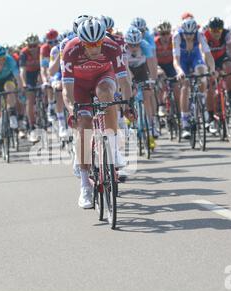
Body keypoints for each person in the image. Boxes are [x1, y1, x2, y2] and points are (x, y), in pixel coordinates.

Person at [61, 17, 133, 209]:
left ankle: (113, 147)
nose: (94, 48)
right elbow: (66, 90)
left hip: (103, 77)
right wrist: (71, 109)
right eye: (90, 44)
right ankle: (85, 184)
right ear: (81, 41)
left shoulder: (112, 46)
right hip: (79, 85)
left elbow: (124, 82)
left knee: (107, 95)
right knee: (84, 126)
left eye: (98, 43)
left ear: (104, 38)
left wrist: (128, 106)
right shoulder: (70, 49)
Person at [173, 18, 215, 139]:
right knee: (185, 86)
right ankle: (185, 122)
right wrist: (180, 71)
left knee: (202, 71)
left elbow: (208, 54)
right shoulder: (177, 36)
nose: (189, 36)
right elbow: (175, 60)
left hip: (195, 56)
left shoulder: (200, 34)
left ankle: (201, 99)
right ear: (183, 31)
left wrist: (212, 69)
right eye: (186, 33)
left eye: (191, 34)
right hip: (183, 59)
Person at [204, 17, 231, 133]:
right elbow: (203, 53)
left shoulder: (226, 34)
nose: (216, 33)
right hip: (209, 59)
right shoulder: (204, 35)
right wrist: (210, 70)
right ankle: (210, 116)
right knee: (210, 87)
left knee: (230, 67)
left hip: (221, 57)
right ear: (209, 30)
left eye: (218, 30)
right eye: (213, 31)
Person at [125, 27, 159, 143]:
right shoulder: (123, 49)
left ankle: (150, 125)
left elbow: (152, 65)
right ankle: (128, 117)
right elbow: (123, 68)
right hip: (128, 70)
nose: (134, 47)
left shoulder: (145, 46)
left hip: (141, 69)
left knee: (147, 95)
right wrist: (131, 82)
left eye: (136, 44)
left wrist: (152, 80)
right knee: (128, 93)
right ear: (127, 43)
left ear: (140, 42)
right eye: (131, 45)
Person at [19, 34, 42, 143]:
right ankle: (32, 126)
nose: (32, 48)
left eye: (35, 45)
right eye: (30, 46)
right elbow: (22, 71)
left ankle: (47, 106)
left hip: (39, 72)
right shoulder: (24, 53)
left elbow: (44, 67)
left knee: (43, 84)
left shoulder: (41, 50)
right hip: (28, 75)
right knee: (30, 100)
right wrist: (24, 84)